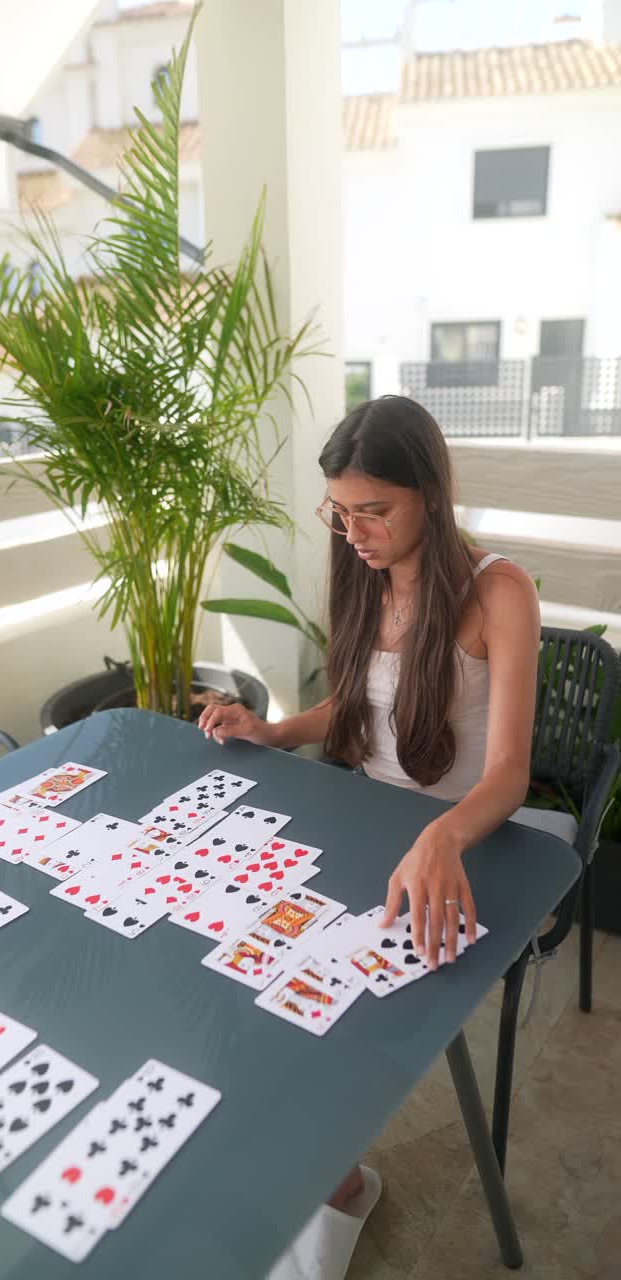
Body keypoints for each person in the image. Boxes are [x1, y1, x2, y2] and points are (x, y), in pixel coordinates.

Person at [197, 394, 542, 1280]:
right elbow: (357, 710)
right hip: (369, 821)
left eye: (373, 511)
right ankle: (331, 1169)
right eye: (341, 513)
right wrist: (274, 731)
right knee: (258, 960)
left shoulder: (499, 591)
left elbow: (508, 772)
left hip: (470, 840)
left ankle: (338, 1181)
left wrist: (443, 838)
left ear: (430, 490)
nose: (354, 532)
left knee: (350, 1011)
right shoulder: (365, 574)